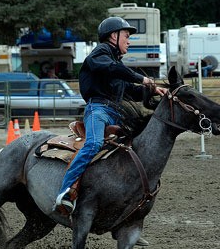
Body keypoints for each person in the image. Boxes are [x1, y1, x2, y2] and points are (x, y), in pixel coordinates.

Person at [54, 16, 167, 216]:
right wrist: (142, 78)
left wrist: (154, 90)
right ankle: (64, 192)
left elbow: (130, 91)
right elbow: (114, 69)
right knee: (94, 144)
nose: (129, 41)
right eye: (126, 36)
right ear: (113, 36)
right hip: (98, 110)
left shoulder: (114, 63)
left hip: (115, 113)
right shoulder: (101, 54)